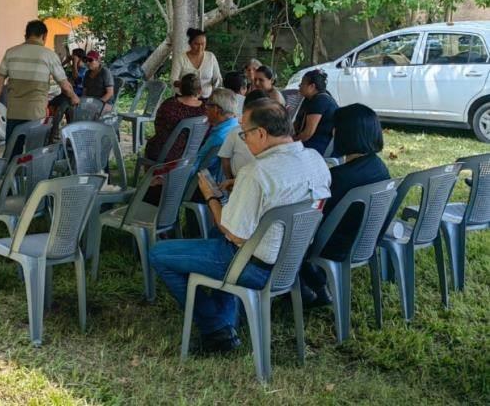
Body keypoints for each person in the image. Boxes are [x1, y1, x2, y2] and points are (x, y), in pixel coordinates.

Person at [149, 101, 331, 353]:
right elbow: (285, 193)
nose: (244, 140)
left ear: (261, 133)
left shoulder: (257, 173)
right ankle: (227, 316)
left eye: (244, 133)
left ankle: (215, 328)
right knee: (214, 237)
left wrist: (211, 196)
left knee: (159, 254)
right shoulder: (316, 160)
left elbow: (232, 232)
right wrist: (241, 186)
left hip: (254, 266)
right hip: (291, 261)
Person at [299, 103, 390, 305]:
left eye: (335, 127)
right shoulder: (379, 167)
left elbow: (313, 217)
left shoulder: (339, 178)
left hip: (336, 245)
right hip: (365, 239)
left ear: (344, 133)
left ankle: (311, 287)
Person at [0, 20, 79, 139]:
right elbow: (65, 86)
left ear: (26, 36)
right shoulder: (49, 55)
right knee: (34, 153)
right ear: (44, 36)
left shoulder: (11, 53)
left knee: (13, 151)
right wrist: (74, 97)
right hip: (36, 114)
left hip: (14, 113)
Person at [144, 73, 206, 162]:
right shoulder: (206, 108)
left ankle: (152, 174)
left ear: (180, 89)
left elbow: (158, 127)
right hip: (194, 153)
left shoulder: (170, 105)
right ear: (200, 90)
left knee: (152, 144)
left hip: (167, 154)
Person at [218, 89, 268, 189]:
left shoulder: (269, 134)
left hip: (257, 183)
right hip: (237, 182)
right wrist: (229, 179)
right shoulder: (235, 132)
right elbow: (225, 158)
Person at [194, 88, 241, 180]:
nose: (205, 109)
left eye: (207, 105)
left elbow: (195, 166)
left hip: (201, 184)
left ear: (216, 109)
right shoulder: (236, 127)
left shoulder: (218, 137)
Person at [294, 69, 338, 155]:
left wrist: (291, 141)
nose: (299, 85)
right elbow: (296, 123)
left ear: (312, 86)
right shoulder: (309, 98)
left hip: (320, 145)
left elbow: (308, 133)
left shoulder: (321, 100)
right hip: (311, 141)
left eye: (302, 83)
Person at [172, 28, 222, 98]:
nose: (200, 47)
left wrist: (215, 85)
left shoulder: (211, 57)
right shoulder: (181, 58)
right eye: (196, 44)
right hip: (184, 98)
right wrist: (186, 85)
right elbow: (173, 80)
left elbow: (217, 78)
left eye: (203, 44)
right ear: (190, 43)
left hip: (206, 98)